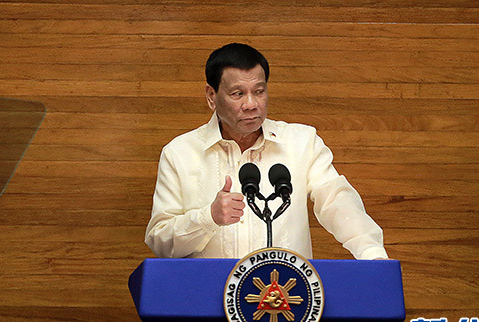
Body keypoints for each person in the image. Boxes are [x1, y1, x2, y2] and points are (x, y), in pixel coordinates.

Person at [145, 43, 387, 260]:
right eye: (238, 94)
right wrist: (208, 218)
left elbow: (337, 202)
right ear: (211, 96)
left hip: (285, 291)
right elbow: (160, 242)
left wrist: (372, 255)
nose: (251, 104)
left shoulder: (301, 143)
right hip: (209, 293)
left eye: (259, 91)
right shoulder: (180, 153)